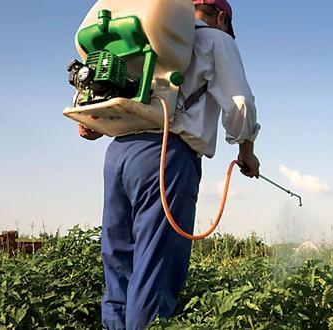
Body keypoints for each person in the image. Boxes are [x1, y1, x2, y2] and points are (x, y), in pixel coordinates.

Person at [79, 0, 261, 328]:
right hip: (166, 155)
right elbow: (240, 104)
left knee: (118, 263)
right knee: (155, 269)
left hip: (119, 153)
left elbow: (98, 113)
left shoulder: (147, 34)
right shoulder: (217, 40)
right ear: (221, 17)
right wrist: (246, 152)